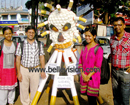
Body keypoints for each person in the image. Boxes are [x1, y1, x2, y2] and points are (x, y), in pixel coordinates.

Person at [16, 26, 46, 105]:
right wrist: (18, 72)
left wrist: (42, 71)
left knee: (34, 88)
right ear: (26, 33)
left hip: (35, 70)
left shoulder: (39, 44)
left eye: (32, 32)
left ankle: (33, 103)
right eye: (29, 32)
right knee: (23, 89)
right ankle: (25, 103)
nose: (31, 34)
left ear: (34, 33)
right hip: (24, 69)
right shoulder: (21, 44)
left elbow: (42, 57)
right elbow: (18, 58)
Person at [78, 27, 103, 105]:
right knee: (89, 98)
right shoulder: (84, 48)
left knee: (92, 99)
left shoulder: (98, 49)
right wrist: (83, 74)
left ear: (94, 36)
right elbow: (80, 63)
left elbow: (97, 66)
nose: (87, 38)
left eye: (89, 36)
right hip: (85, 76)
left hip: (93, 78)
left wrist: (88, 76)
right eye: (86, 36)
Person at [110, 17, 130, 105]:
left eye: (119, 25)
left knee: (125, 99)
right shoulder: (112, 39)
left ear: (124, 26)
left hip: (125, 72)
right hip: (114, 72)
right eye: (115, 25)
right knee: (116, 98)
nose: (117, 27)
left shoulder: (129, 38)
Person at [0, 27, 17, 105]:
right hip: (2, 72)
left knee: (12, 89)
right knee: (2, 91)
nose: (8, 35)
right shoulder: (0, 45)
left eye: (10, 33)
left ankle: (11, 102)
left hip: (12, 71)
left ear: (12, 34)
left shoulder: (15, 44)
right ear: (3, 34)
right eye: (6, 34)